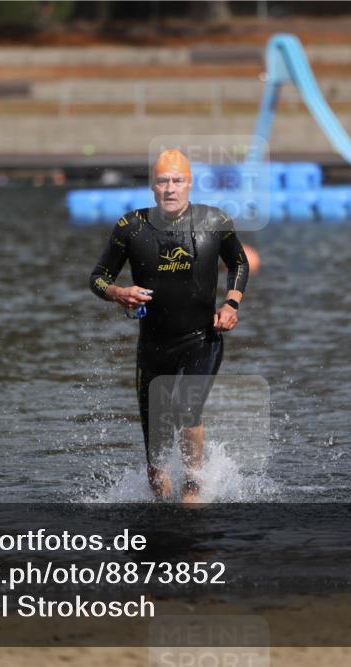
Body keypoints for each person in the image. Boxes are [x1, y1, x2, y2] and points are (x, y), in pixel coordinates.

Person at [89, 149, 249, 502]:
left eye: (177, 181)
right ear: (152, 186)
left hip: (202, 338)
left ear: (189, 184)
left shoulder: (213, 221)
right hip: (153, 347)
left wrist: (231, 302)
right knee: (155, 454)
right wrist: (118, 292)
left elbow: (238, 263)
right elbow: (98, 278)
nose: (170, 189)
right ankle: (162, 511)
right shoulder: (130, 227)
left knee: (187, 409)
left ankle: (193, 487)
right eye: (163, 181)